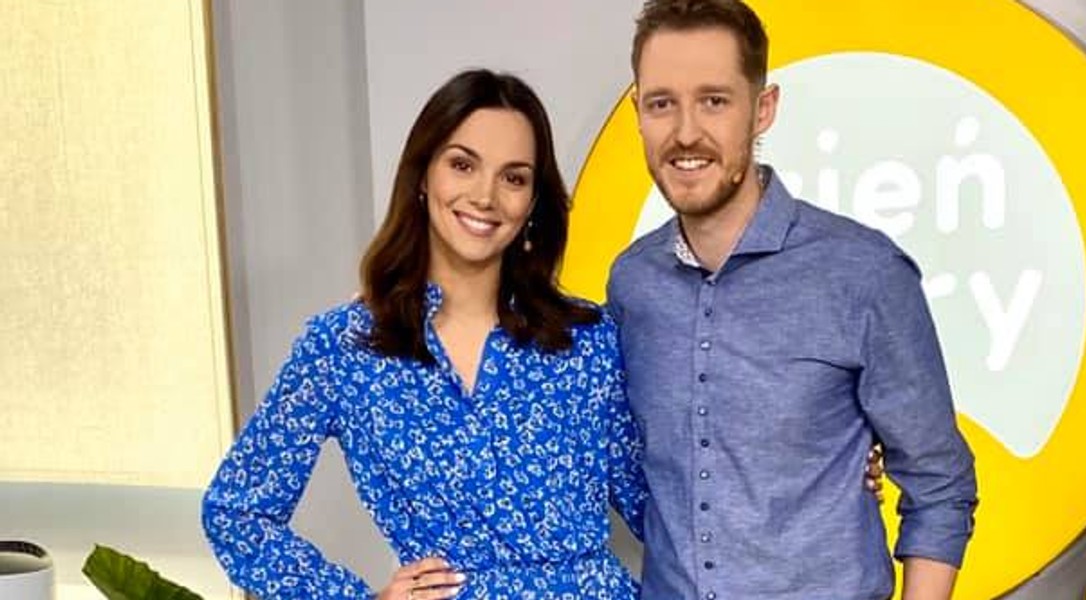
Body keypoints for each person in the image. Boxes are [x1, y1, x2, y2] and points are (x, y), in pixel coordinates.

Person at [201, 69, 649, 599]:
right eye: (463, 165)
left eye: (514, 178)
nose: (485, 195)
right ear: (423, 176)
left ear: (533, 201)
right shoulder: (345, 347)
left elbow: (660, 512)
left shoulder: (587, 340)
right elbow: (236, 511)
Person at [604, 1, 980, 599]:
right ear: (638, 113)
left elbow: (940, 484)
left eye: (714, 101)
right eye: (662, 103)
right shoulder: (632, 284)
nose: (686, 132)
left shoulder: (863, 272)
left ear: (763, 109)